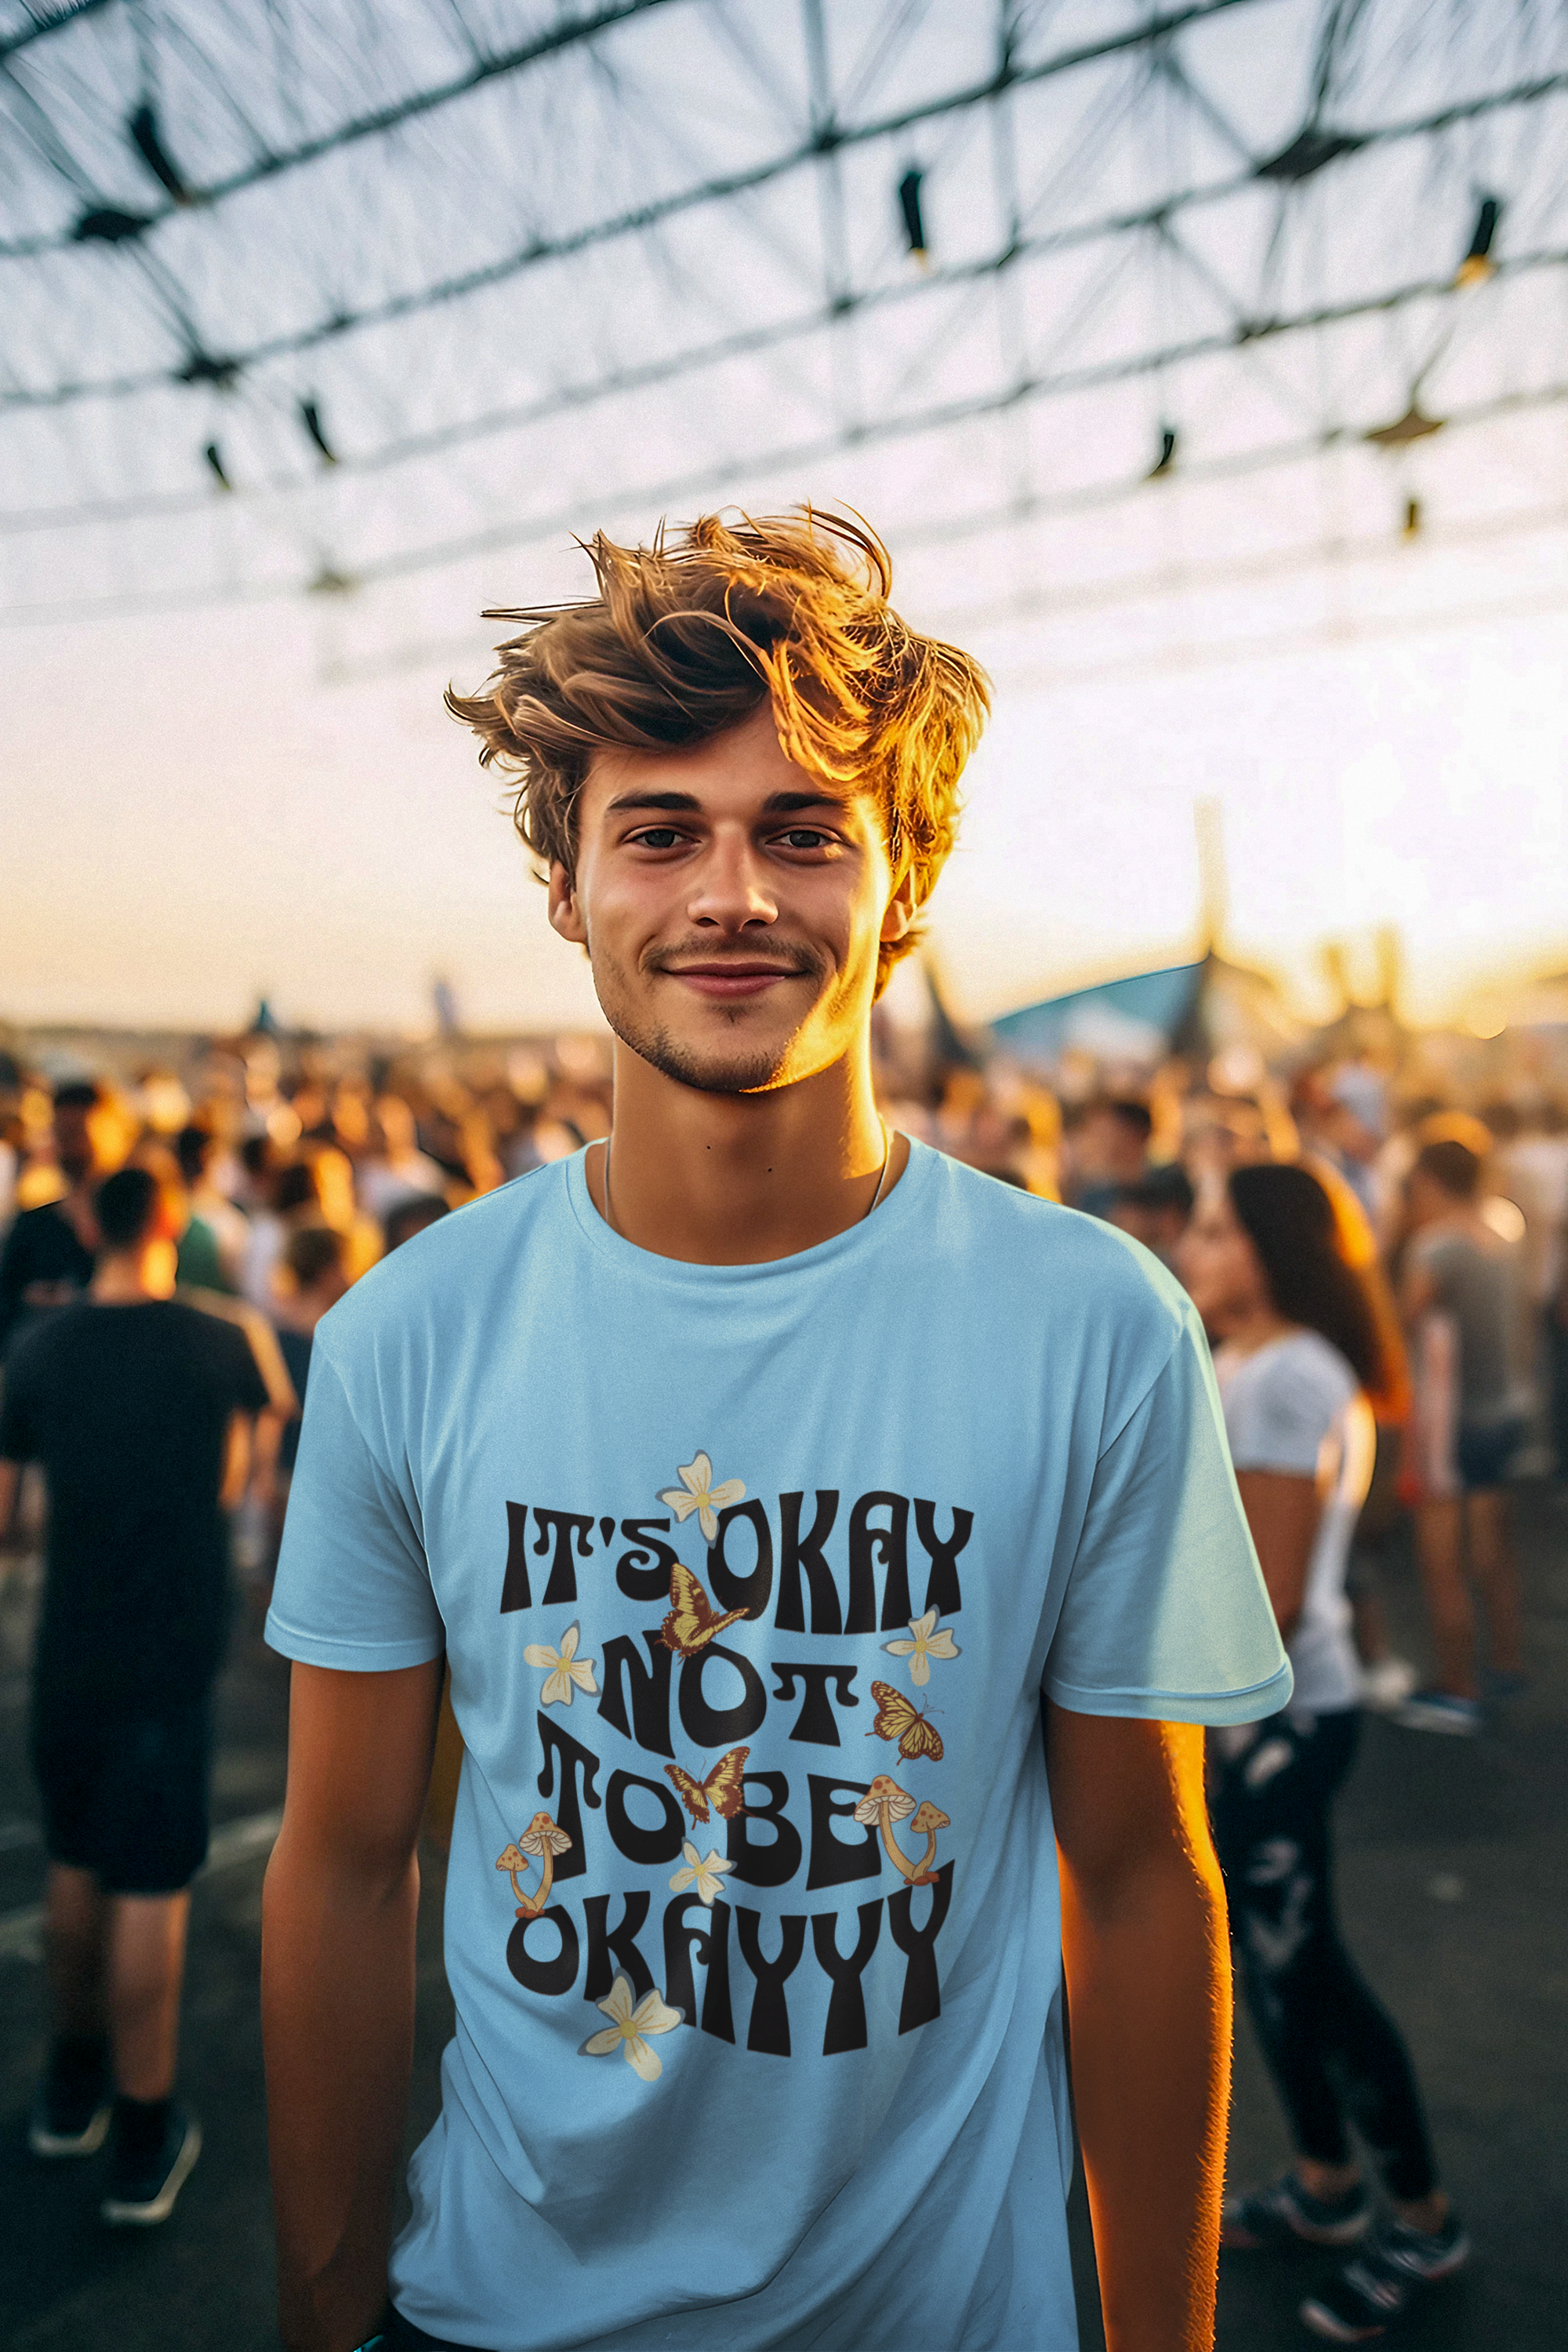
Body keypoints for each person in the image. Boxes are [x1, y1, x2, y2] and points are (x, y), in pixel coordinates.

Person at [261, 509, 1290, 2352]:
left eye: (800, 829)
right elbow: (341, 1858)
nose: (729, 891)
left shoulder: (1092, 1324)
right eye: (658, 831)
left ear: (901, 884)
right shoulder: (404, 1336)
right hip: (493, 2304)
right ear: (566, 889)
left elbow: (1136, 1875)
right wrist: (323, 2305)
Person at [1177, 1162, 1467, 2343]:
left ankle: (1424, 2218)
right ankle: (1327, 2185)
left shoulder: (1289, 1375)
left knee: (1314, 1976)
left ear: (1271, 1250)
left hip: (1283, 1726)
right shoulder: (1254, 1363)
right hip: (1261, 1726)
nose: (1191, 1247)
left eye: (1214, 1230)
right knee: (1276, 1972)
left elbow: (1280, 1593)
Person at [0, 1165, 273, 2224]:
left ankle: (71, 2089)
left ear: (83, 1223)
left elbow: (12, 1519)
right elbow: (264, 1436)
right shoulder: (220, 1337)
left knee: (76, 1857)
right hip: (173, 1638)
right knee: (150, 1877)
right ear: (176, 1226)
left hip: (72, 1635)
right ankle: (146, 2128)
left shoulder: (41, 1349)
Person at [1396, 1135, 1529, 1733]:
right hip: (1503, 1407)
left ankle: (1458, 1687)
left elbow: (1403, 1319)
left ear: (1428, 1180)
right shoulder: (1504, 1226)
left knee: (1440, 1560)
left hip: (1450, 1419)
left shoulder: (1437, 1246)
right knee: (1492, 1550)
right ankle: (1507, 1660)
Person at [0, 1079, 110, 1352]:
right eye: (63, 1134)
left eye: (78, 1133)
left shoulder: (133, 1222)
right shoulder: (32, 1226)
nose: (70, 1146)